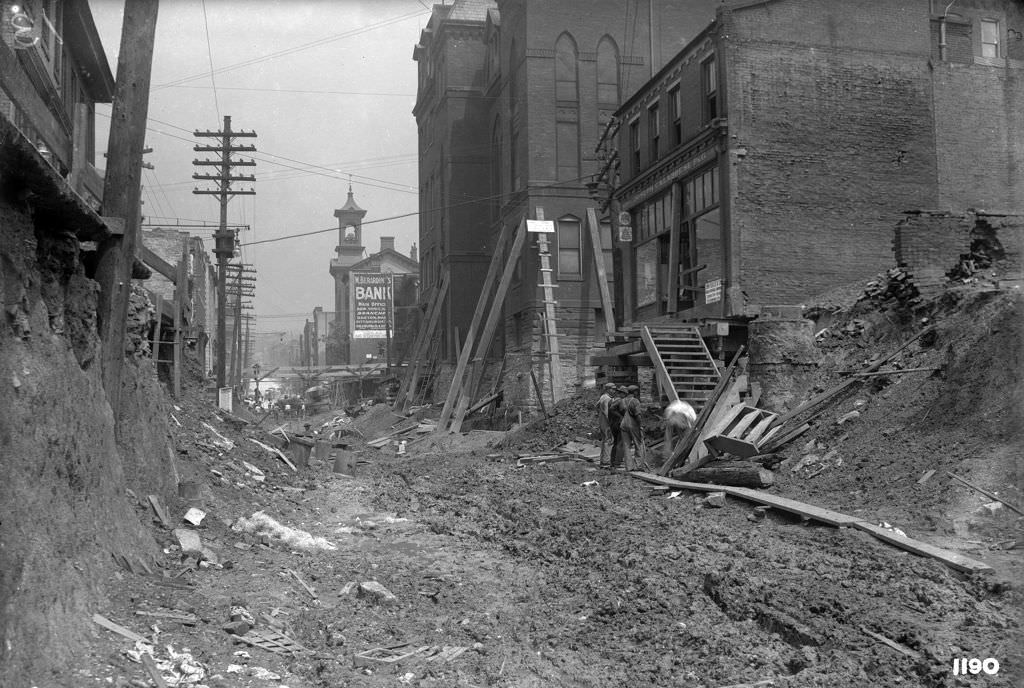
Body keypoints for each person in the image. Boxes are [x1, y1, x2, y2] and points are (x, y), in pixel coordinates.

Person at [619, 385, 648, 471]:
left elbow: (621, 412)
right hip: (633, 425)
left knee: (626, 446)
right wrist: (640, 426)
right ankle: (638, 466)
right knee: (638, 444)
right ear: (635, 392)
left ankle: (629, 467)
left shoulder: (622, 401)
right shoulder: (635, 401)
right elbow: (638, 415)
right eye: (637, 391)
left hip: (623, 425)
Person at [606, 386, 627, 470]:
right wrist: (621, 417)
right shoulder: (619, 400)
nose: (625, 396)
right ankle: (617, 463)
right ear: (621, 393)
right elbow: (612, 409)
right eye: (624, 394)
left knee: (615, 443)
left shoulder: (611, 400)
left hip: (612, 424)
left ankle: (612, 462)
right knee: (620, 443)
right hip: (618, 424)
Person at [596, 383, 616, 468]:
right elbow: (607, 413)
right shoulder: (608, 399)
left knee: (604, 441)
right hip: (607, 424)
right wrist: (611, 423)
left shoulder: (602, 397)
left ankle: (603, 459)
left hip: (602, 423)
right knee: (609, 441)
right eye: (612, 389)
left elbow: (596, 406)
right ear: (608, 389)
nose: (614, 391)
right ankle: (607, 461)